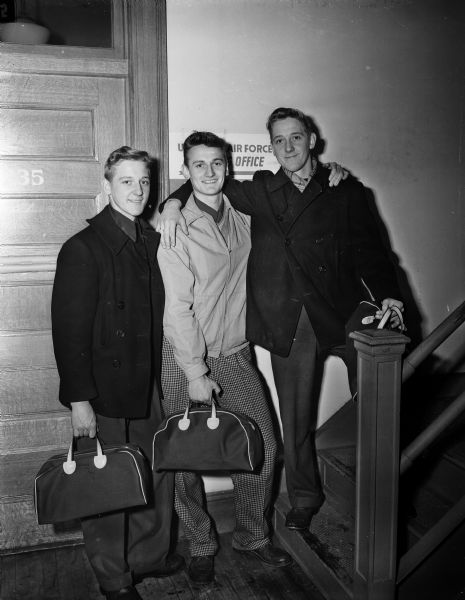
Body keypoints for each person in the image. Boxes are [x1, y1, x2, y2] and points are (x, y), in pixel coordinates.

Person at [158, 107, 403, 534]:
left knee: (380, 410)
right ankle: (305, 497)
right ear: (270, 147)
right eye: (278, 140)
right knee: (295, 420)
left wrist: (389, 295)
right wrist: (172, 203)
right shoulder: (261, 189)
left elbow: (373, 252)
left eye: (295, 137)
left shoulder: (346, 189)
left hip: (346, 315)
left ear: (312, 140)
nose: (287, 147)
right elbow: (204, 179)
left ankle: (387, 498)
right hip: (292, 321)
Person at [157, 131, 293, 585]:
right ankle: (199, 542)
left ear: (227, 166)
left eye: (217, 163)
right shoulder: (175, 224)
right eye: (199, 165)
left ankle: (253, 537)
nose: (210, 172)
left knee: (264, 448)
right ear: (187, 170)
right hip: (185, 357)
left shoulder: (242, 213)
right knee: (182, 459)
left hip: (234, 353)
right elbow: (177, 308)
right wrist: (195, 371)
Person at [51, 146, 184, 600]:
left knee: (151, 473)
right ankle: (113, 578)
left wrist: (174, 203)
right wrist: (80, 401)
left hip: (147, 384)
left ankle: (148, 558)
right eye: (126, 181)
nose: (137, 190)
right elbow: (68, 336)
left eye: (144, 182)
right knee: (108, 484)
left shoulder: (150, 241)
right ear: (106, 186)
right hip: (103, 391)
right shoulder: (83, 248)